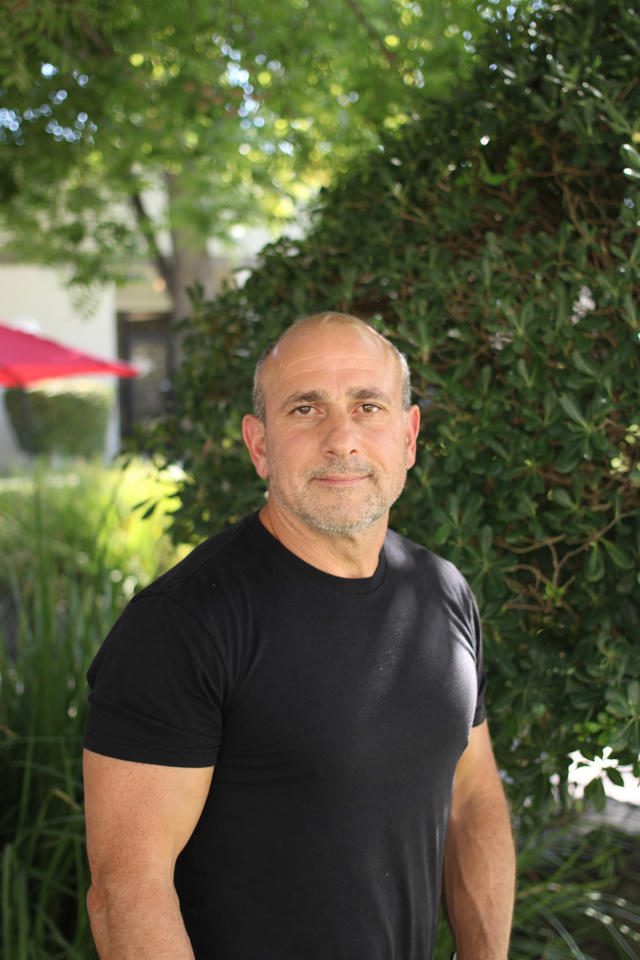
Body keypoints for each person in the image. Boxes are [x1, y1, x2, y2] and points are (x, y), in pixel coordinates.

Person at [83, 311, 515, 960]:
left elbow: (473, 800)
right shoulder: (182, 625)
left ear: (409, 435)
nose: (342, 439)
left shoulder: (442, 591)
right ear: (259, 444)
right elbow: (127, 894)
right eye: (306, 410)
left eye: (368, 406)